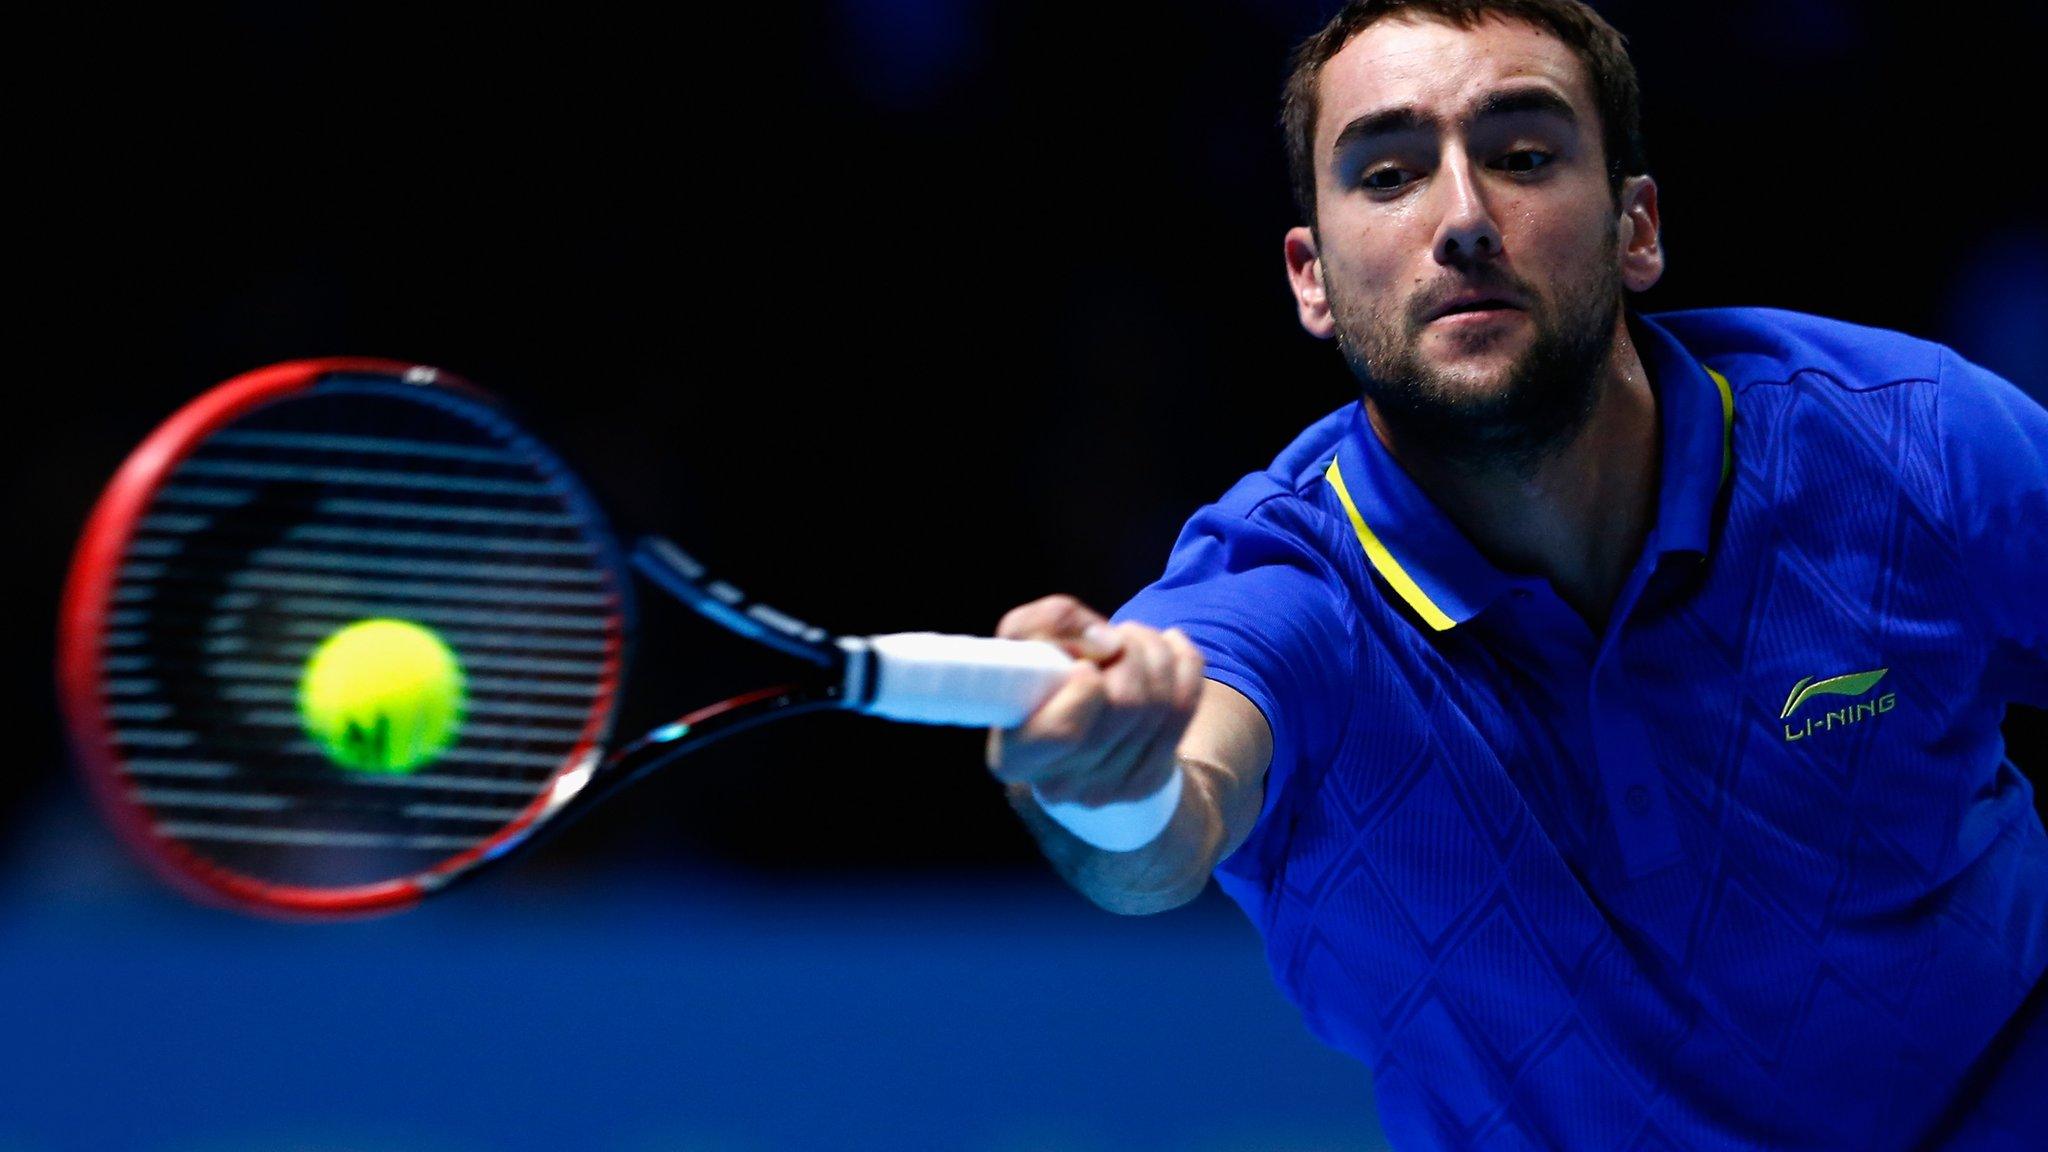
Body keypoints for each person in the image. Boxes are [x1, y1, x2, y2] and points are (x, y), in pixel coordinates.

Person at [983, 1, 2048, 1148]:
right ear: (1312, 279)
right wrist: (1106, 777)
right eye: (1387, 174)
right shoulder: (1283, 590)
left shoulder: (1909, 443)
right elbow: (1159, 835)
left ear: (1634, 228)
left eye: (1522, 158)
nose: (1462, 219)